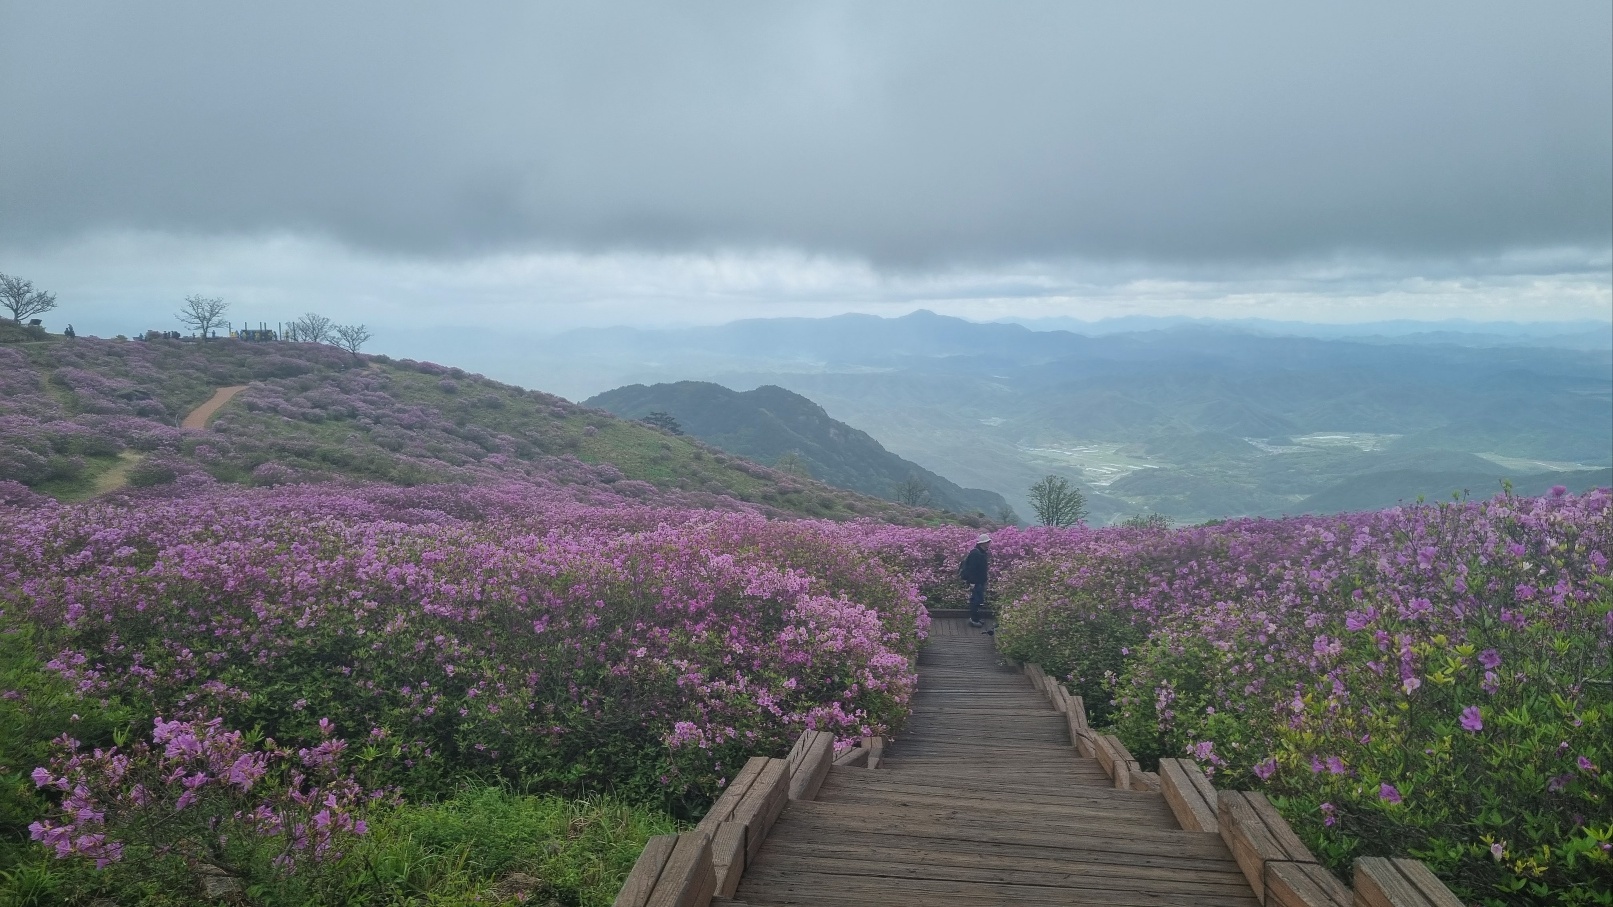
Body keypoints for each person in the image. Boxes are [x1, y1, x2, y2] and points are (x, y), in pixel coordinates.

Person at [961, 533, 991, 628]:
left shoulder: (982, 552)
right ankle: (974, 619)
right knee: (975, 601)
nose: (989, 543)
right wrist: (972, 582)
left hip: (980, 582)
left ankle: (977, 618)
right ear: (983, 543)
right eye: (987, 542)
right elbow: (972, 569)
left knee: (979, 601)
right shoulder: (975, 553)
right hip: (975, 582)